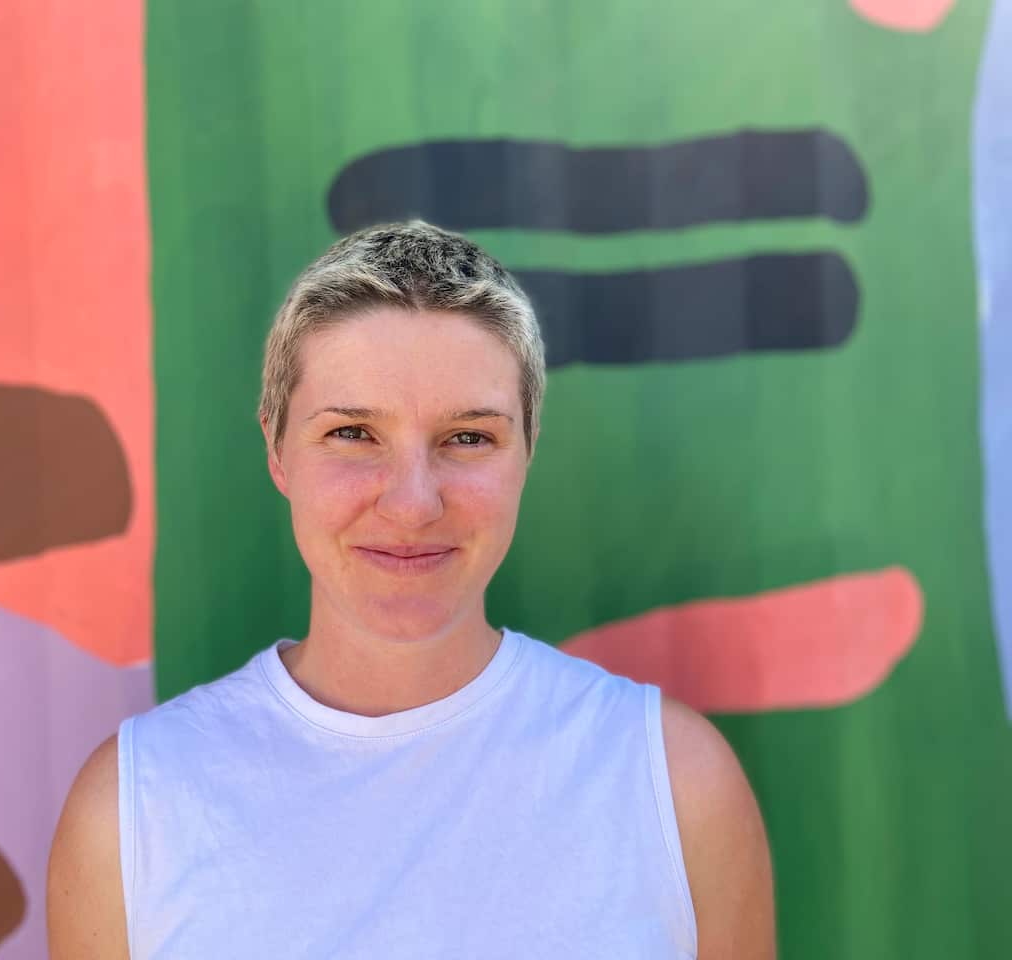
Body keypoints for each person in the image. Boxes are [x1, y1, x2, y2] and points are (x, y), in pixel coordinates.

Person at [47, 221, 775, 958]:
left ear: (528, 448)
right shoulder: (133, 810)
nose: (412, 503)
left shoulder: (673, 781)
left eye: (468, 437)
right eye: (353, 433)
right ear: (276, 448)